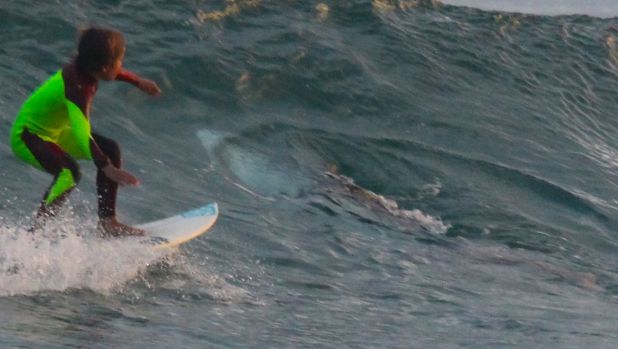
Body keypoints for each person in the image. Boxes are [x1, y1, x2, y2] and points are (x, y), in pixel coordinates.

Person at [10, 27, 161, 237]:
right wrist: (106, 167)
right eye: (120, 61)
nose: (121, 65)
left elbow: (111, 72)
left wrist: (137, 81)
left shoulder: (85, 66)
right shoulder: (77, 88)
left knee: (110, 148)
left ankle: (107, 223)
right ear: (105, 66)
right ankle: (35, 234)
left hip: (55, 132)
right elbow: (82, 132)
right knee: (69, 173)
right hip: (28, 136)